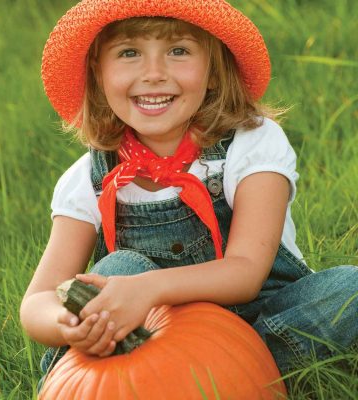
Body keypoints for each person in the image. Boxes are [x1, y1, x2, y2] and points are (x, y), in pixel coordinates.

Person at [20, 0, 358, 391]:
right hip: (144, 338)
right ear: (97, 75)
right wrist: (67, 322)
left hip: (261, 321)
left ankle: (246, 376)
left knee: (348, 290)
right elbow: (36, 302)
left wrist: (149, 288)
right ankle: (194, 382)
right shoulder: (87, 180)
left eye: (178, 51)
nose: (153, 73)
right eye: (129, 53)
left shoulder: (251, 145)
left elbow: (246, 273)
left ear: (213, 70)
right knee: (118, 268)